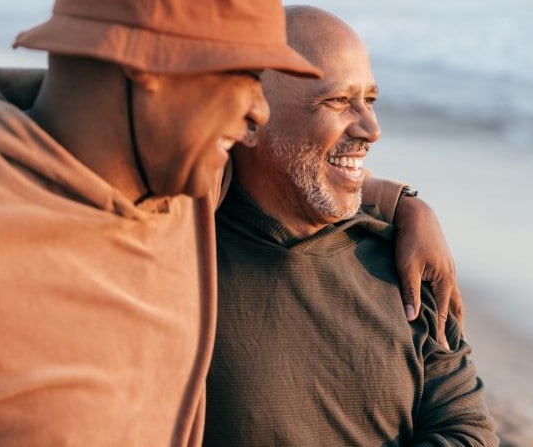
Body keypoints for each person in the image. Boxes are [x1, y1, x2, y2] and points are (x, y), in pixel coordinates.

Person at [0, 1, 460, 445]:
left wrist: (402, 202)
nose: (256, 111)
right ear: (149, 73)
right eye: (241, 77)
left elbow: (287, 169)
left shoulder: (181, 191)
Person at [204, 6, 497, 446]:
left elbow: (468, 430)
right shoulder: (179, 252)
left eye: (371, 100)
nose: (372, 128)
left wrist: (404, 205)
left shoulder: (405, 264)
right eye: (339, 101)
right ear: (249, 119)